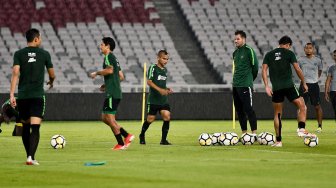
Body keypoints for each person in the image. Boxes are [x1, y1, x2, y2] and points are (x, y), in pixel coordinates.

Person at [10, 28, 55, 165]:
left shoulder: (18, 54)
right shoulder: (45, 54)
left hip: (23, 97)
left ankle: (28, 157)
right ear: (36, 39)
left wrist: (12, 94)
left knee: (25, 126)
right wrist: (51, 81)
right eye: (40, 38)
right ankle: (31, 157)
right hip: (37, 96)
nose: (40, 40)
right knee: (35, 128)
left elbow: (15, 73)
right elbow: (52, 74)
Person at [262, 36, 315, 147]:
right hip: (289, 86)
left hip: (276, 88)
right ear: (288, 45)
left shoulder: (269, 55)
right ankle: (301, 129)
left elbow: (264, 70)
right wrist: (304, 82)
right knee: (302, 105)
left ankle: (278, 141)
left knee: (277, 114)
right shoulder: (289, 53)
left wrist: (267, 86)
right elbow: (297, 68)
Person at [90, 37, 134, 150]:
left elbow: (110, 70)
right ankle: (126, 135)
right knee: (104, 118)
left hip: (112, 94)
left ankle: (121, 144)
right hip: (114, 92)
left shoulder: (108, 57)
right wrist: (108, 84)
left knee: (109, 119)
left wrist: (96, 73)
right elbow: (121, 76)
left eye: (102, 44)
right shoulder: (114, 58)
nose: (100, 46)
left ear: (107, 46)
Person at [139, 50, 173, 145]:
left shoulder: (165, 70)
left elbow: (161, 84)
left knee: (167, 116)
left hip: (163, 100)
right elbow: (149, 82)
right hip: (153, 100)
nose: (165, 61)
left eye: (167, 59)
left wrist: (166, 89)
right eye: (164, 58)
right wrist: (160, 90)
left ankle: (163, 140)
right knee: (150, 119)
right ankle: (142, 135)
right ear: (158, 58)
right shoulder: (153, 68)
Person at [232, 30, 259, 136]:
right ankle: (244, 133)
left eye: (238, 39)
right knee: (239, 110)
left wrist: (249, 79)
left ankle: (254, 133)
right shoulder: (235, 53)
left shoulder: (249, 50)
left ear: (244, 39)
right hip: (236, 85)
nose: (235, 41)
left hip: (246, 85)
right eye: (235, 39)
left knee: (248, 109)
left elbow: (255, 67)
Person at [298, 43, 323, 133]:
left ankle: (319, 126)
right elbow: (298, 71)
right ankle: (300, 126)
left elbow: (320, 71)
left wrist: (315, 79)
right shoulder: (300, 60)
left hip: (314, 85)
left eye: (310, 48)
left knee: (317, 106)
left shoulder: (318, 60)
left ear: (313, 50)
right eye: (307, 48)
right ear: (304, 50)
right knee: (301, 106)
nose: (308, 50)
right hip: (303, 85)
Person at [325, 50, 336, 123]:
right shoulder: (331, 68)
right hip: (333, 92)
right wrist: (326, 92)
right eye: (334, 55)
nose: (335, 57)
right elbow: (328, 80)